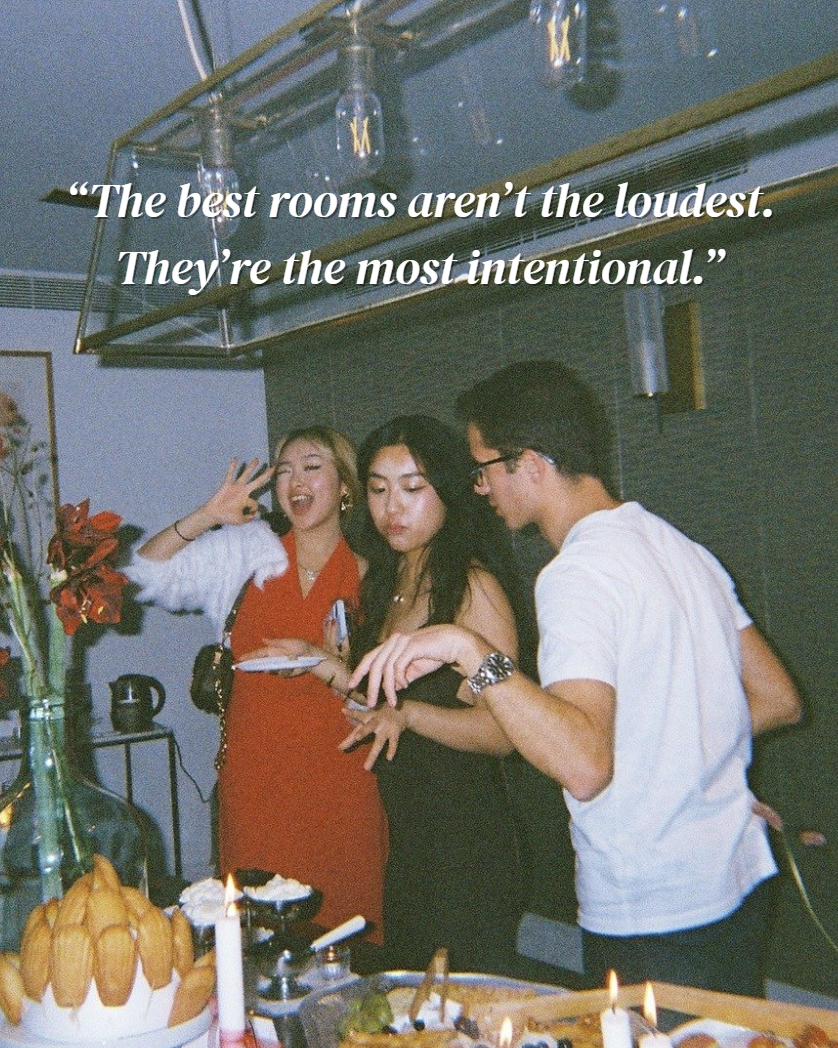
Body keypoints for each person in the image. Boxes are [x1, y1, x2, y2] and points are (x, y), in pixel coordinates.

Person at [348, 362, 802, 995]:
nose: (480, 487)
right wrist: (675, 759)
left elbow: (583, 766)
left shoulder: (575, 575)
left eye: (483, 468)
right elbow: (776, 698)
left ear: (529, 464)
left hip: (653, 905)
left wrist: (468, 648)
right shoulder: (676, 546)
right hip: (734, 876)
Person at [243, 416, 525, 974]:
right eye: (378, 490)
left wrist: (412, 714)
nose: (392, 508)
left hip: (464, 840)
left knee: (461, 1004)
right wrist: (323, 663)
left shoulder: (473, 589)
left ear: (447, 492)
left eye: (412, 488)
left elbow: (504, 732)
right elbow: (379, 707)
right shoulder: (390, 582)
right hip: (405, 835)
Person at [125, 426, 386, 936]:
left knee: (344, 933)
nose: (295, 481)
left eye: (312, 467)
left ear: (345, 486)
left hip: (344, 785)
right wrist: (207, 516)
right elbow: (145, 574)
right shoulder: (245, 553)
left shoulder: (375, 576)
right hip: (256, 782)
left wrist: (329, 664)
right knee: (255, 929)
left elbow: (384, 697)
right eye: (284, 471)